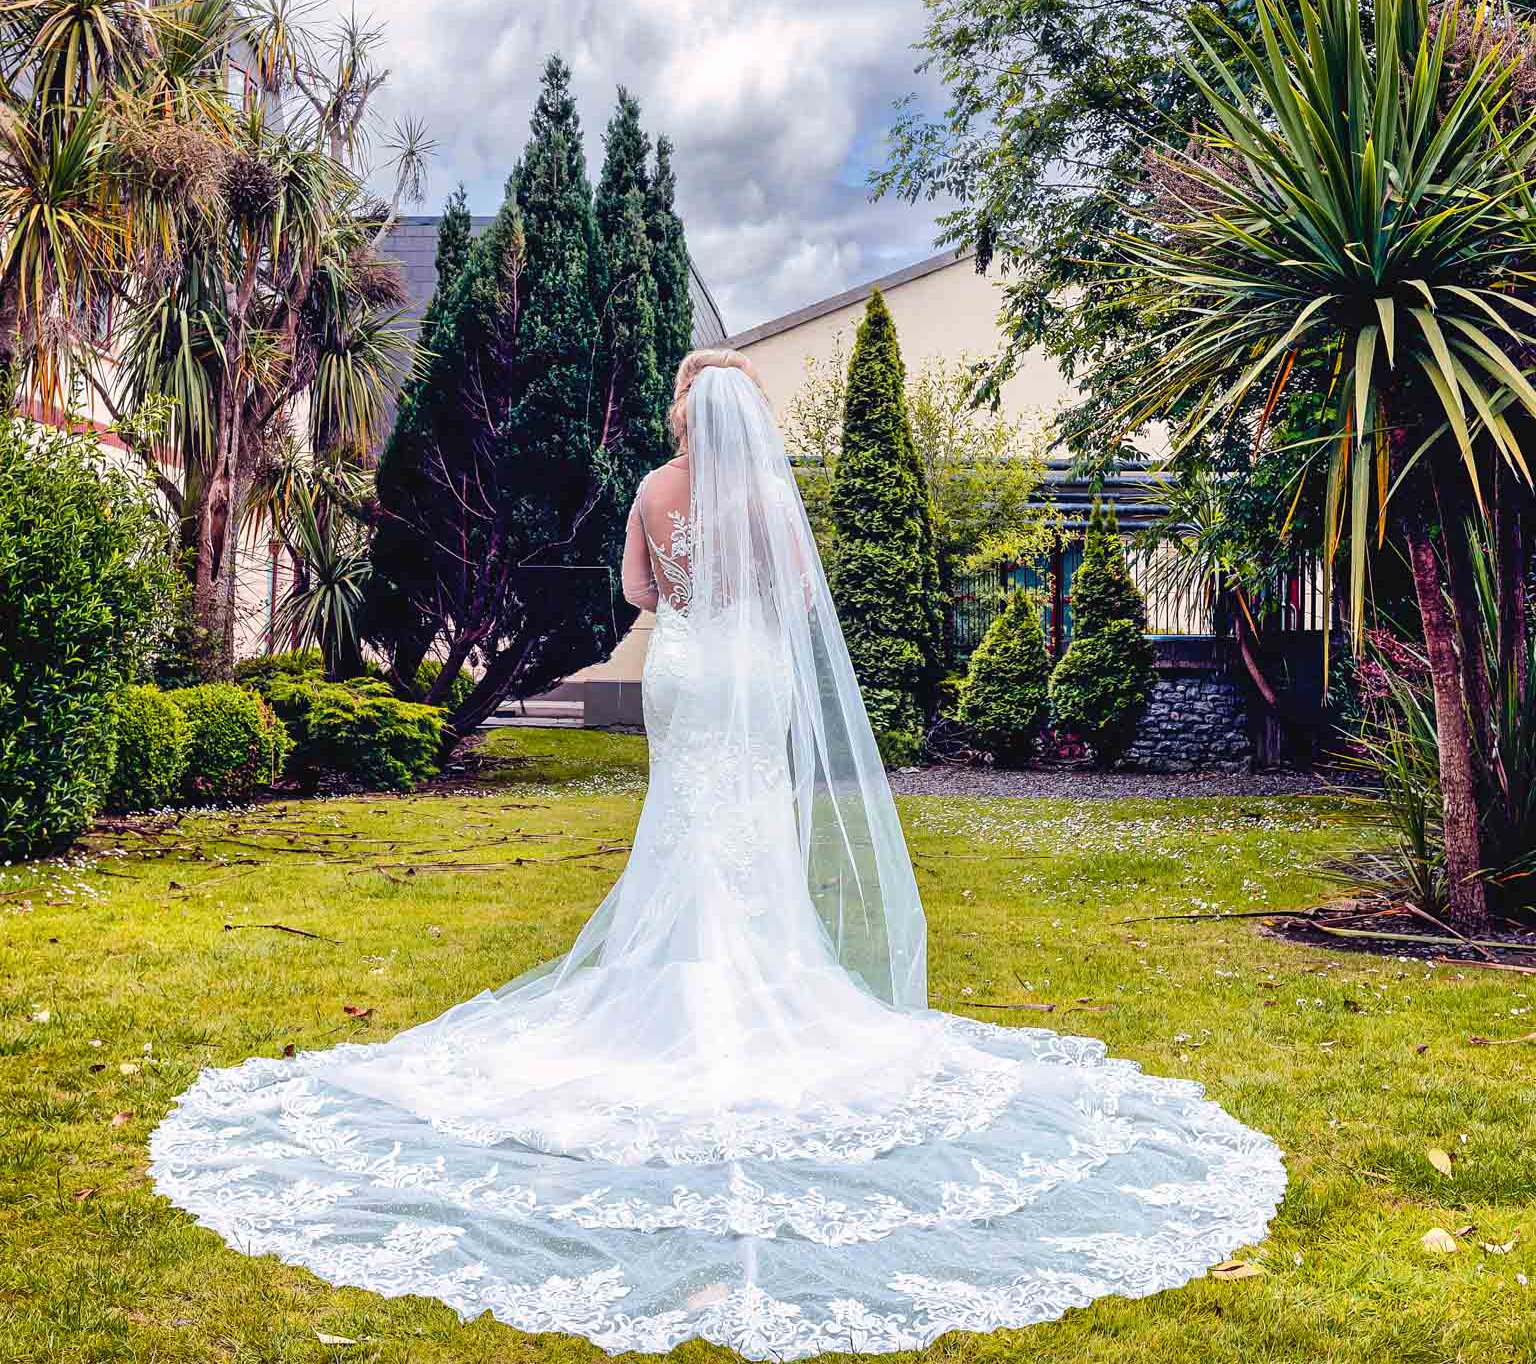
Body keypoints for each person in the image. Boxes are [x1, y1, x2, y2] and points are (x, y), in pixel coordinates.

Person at [150, 347, 1285, 1358]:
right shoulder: (775, 502)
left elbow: (641, 593)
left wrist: (690, 589)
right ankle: (765, 970)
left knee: (684, 819)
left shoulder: (654, 491)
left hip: (685, 668)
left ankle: (682, 972)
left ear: (690, 415)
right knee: (749, 818)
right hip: (751, 671)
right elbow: (798, 604)